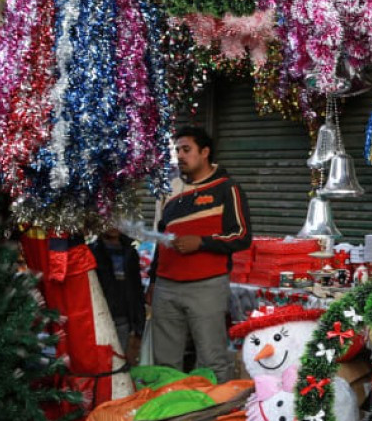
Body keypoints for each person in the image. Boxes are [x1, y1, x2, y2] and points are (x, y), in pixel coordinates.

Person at [148, 127, 252, 383]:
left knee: (212, 359)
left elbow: (241, 235)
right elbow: (160, 240)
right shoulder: (169, 189)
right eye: (177, 150)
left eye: (186, 150)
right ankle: (169, 415)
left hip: (206, 287)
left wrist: (202, 243)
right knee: (165, 360)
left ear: (204, 152)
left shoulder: (227, 188)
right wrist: (152, 281)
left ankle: (216, 418)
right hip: (166, 286)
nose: (180, 156)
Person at [89, 228, 145, 361]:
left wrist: (139, 324)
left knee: (120, 359)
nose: (114, 226)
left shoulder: (130, 253)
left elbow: (136, 289)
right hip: (99, 315)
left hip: (123, 317)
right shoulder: (92, 251)